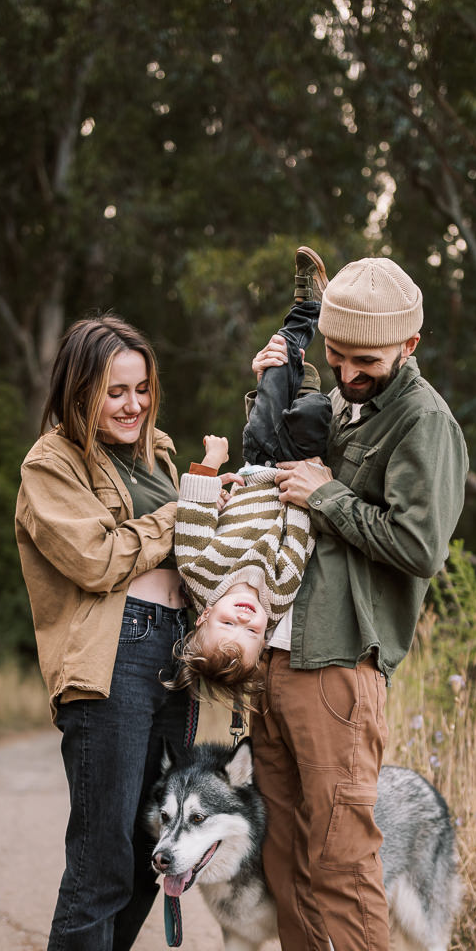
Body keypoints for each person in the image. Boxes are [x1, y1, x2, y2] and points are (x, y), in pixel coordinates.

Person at [223, 254, 469, 951]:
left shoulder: (423, 423)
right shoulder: (341, 395)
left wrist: (328, 495)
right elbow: (270, 457)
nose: (349, 375)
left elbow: (417, 548)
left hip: (340, 669)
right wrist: (272, 383)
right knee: (285, 861)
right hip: (278, 661)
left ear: (410, 343)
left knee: (345, 867)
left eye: (366, 363)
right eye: (337, 358)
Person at [15, 315, 194, 951]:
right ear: (80, 391)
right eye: (113, 391)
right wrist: (182, 514)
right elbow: (96, 559)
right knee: (99, 855)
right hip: (109, 660)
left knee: (154, 839)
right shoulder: (50, 466)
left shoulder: (154, 452)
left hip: (174, 657)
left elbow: (188, 543)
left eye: (141, 387)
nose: (132, 404)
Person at [170, 249, 330, 705]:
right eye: (251, 631)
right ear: (265, 639)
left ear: (203, 618)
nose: (244, 618)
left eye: (229, 624)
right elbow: (298, 540)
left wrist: (210, 463)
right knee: (314, 411)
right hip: (291, 474)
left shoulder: (199, 573)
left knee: (277, 361)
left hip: (256, 463)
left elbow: (193, 517)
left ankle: (309, 303)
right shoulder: (277, 599)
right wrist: (308, 485)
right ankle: (310, 362)